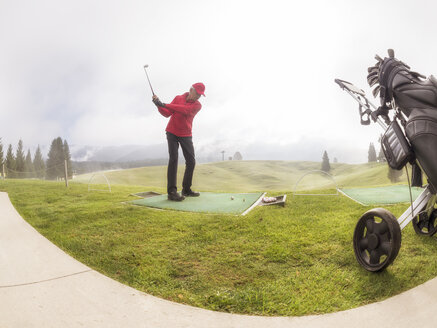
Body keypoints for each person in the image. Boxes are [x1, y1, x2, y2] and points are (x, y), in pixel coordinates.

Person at [152, 82, 205, 201]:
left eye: (200, 95)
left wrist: (164, 104)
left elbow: (185, 110)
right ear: (191, 90)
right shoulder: (178, 98)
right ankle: (172, 192)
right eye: (197, 93)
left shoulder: (197, 105)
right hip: (172, 132)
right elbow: (166, 113)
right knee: (173, 159)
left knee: (191, 161)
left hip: (186, 134)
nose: (198, 97)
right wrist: (158, 105)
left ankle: (186, 189)